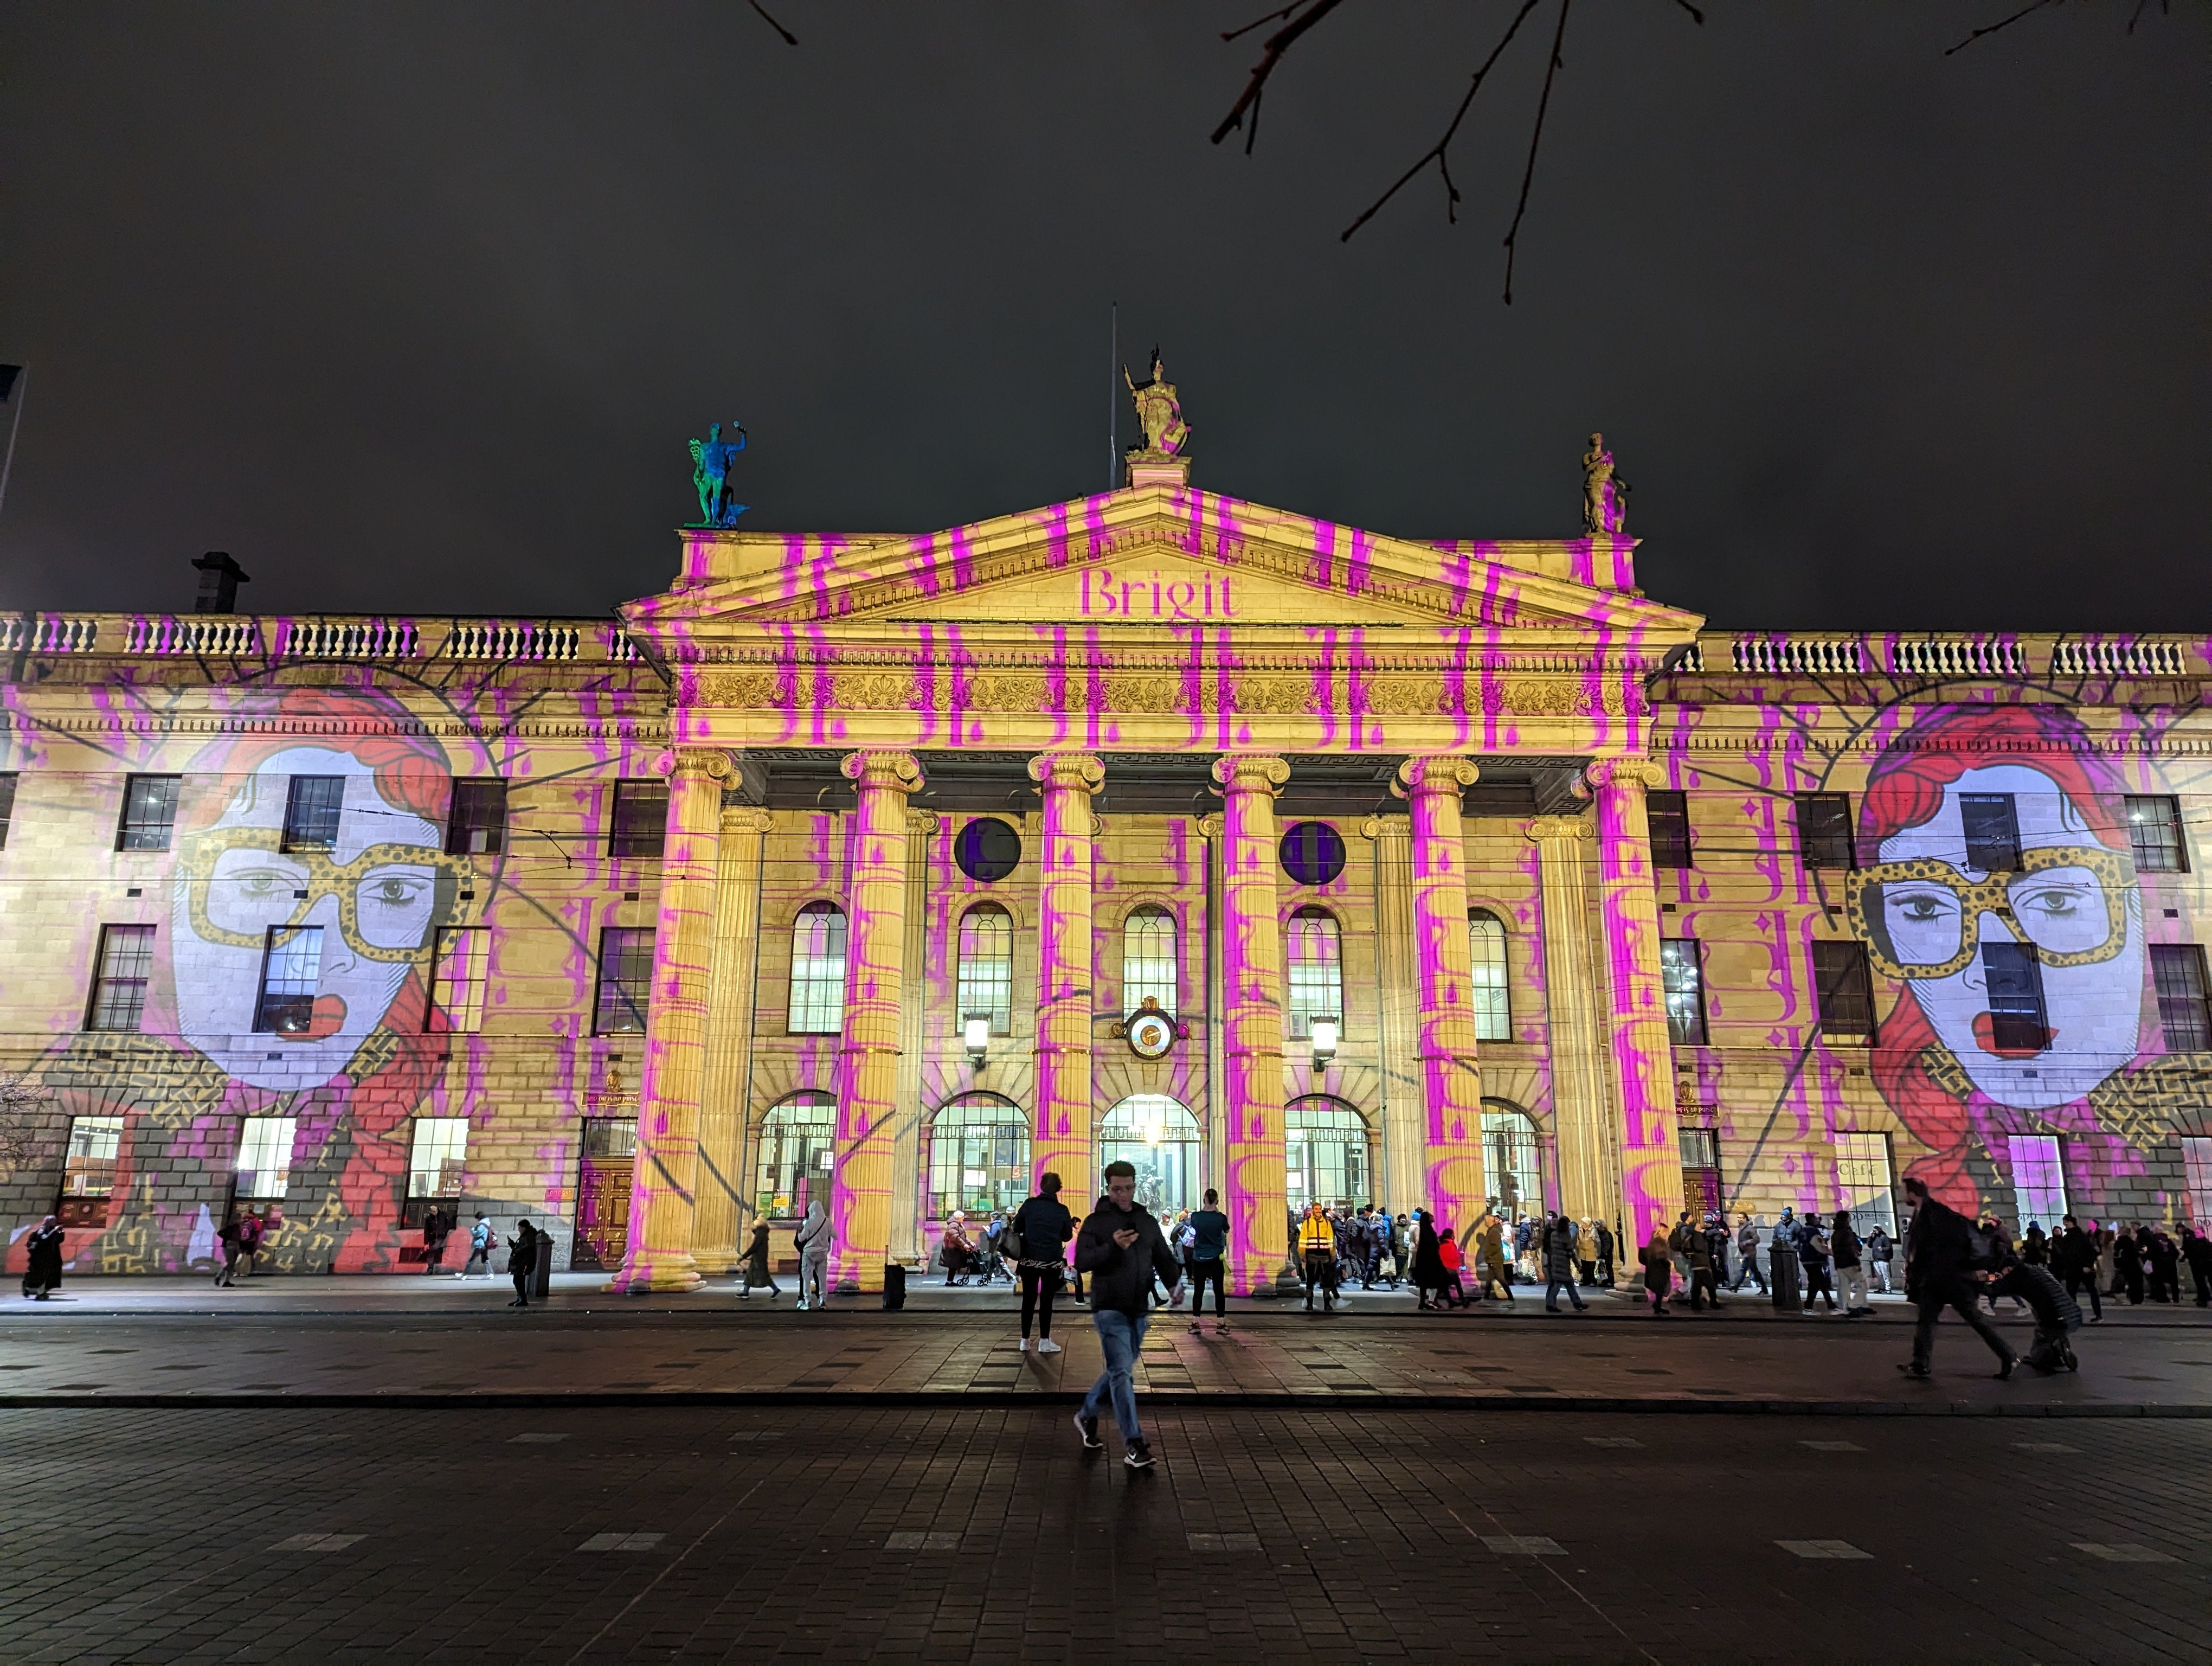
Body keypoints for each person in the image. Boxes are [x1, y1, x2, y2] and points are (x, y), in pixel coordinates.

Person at [1072, 1159, 1184, 1470]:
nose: (1123, 1194)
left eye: (1128, 1188)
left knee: (1118, 1371)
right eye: (1117, 1189)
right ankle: (1134, 1443)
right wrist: (1113, 1246)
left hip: (1138, 1308)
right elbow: (1081, 1261)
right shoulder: (1096, 1222)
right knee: (1122, 1372)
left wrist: (1174, 1283)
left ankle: (1087, 1413)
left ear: (1135, 1186)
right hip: (1109, 1308)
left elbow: (1161, 1255)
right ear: (1108, 1188)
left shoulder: (1145, 1220)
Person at [1898, 1177, 2016, 1380]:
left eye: (1903, 1190)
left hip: (1948, 1279)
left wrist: (1937, 1266)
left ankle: (2009, 1355)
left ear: (1912, 1193)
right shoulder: (1925, 1212)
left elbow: (1946, 1245)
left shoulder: (1934, 1213)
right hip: (1938, 1280)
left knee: (1974, 1319)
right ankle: (1920, 1364)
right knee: (1928, 1320)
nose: (1901, 1194)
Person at [1012, 1172, 1075, 1353]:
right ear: (1058, 1189)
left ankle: (1025, 1340)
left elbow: (1017, 1227)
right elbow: (1067, 1236)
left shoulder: (1029, 1205)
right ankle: (1044, 1341)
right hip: (1051, 1261)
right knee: (1047, 1300)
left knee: (1029, 1299)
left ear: (1041, 1187)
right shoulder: (1062, 1210)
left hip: (1028, 1259)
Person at [1184, 1188, 1230, 1335]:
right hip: (1216, 1258)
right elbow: (1227, 1230)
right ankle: (1221, 1324)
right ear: (1216, 1201)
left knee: (1198, 1291)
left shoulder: (1196, 1217)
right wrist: (1216, 1210)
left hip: (1199, 1258)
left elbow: (1193, 1227)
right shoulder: (1221, 1218)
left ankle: (1196, 1322)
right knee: (1218, 1291)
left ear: (1204, 1200)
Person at [2051, 1214, 2102, 1322]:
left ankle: (2094, 1315)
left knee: (2084, 1292)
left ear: (2071, 1222)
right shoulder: (2072, 1237)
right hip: (2074, 1268)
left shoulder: (2079, 1237)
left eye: (2066, 1222)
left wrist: (2088, 1265)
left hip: (2080, 1268)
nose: (2064, 1224)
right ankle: (2076, 1315)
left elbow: (2089, 1252)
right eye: (2064, 1222)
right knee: (2073, 1292)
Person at [1542, 1212, 1586, 1313]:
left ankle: (1577, 1303)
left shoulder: (1553, 1235)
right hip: (1563, 1263)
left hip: (1555, 1261)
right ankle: (1551, 1304)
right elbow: (1570, 1251)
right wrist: (1577, 1264)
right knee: (1558, 1285)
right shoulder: (1565, 1236)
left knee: (1568, 1284)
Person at [1300, 1203, 1340, 1312]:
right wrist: (1303, 1254)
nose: (1318, 1211)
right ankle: (1310, 1304)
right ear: (1313, 1210)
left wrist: (1332, 1254)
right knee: (1311, 1280)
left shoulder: (1327, 1223)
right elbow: (1303, 1239)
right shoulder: (1307, 1223)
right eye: (1316, 1209)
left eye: (1319, 1209)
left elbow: (1331, 1239)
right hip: (1311, 1255)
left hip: (1325, 1255)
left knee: (1326, 1280)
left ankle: (1327, 1304)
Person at [794, 1197, 831, 1311]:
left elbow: (797, 1241)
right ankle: (821, 1300)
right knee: (819, 1278)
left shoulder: (805, 1224)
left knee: (805, 1279)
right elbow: (828, 1240)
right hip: (819, 1255)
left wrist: (804, 1251)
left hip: (807, 1256)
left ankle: (803, 1300)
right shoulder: (825, 1223)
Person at [1832, 1209, 1871, 1315]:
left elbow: (1837, 1249)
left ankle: (1846, 1308)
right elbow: (1850, 1248)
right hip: (1849, 1263)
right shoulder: (1846, 1232)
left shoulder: (1836, 1232)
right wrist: (1856, 1262)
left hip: (1840, 1264)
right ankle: (1854, 1305)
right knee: (1864, 1285)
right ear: (1846, 1219)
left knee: (1844, 1288)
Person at [1798, 1209, 1837, 1313]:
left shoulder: (1803, 1231)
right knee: (1819, 1284)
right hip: (1814, 1260)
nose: (1818, 1220)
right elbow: (1820, 1247)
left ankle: (1828, 1305)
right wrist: (1832, 1253)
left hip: (1806, 1260)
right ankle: (1810, 1307)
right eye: (1816, 1218)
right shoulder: (1814, 1232)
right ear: (1811, 1220)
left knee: (1817, 1284)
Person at [22, 1215, 65, 1299]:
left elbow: (59, 1240)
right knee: (40, 1275)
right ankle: (36, 1291)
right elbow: (44, 1238)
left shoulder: (54, 1230)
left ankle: (40, 1291)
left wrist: (58, 1231)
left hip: (50, 1257)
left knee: (46, 1275)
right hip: (40, 1257)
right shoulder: (41, 1230)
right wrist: (54, 1231)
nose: (54, 1223)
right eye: (52, 1221)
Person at [738, 1218, 781, 1298]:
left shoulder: (760, 1233)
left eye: (754, 1224)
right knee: (750, 1274)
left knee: (763, 1275)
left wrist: (743, 1257)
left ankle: (775, 1289)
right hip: (758, 1258)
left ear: (758, 1225)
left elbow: (754, 1247)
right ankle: (745, 1292)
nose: (752, 1226)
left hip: (759, 1258)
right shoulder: (762, 1232)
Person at [1475, 1211, 1513, 1303]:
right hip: (1492, 1259)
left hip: (1495, 1260)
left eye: (1485, 1220)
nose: (1484, 1222)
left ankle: (1510, 1296)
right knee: (1489, 1279)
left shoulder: (1494, 1232)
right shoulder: (1492, 1231)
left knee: (1500, 1278)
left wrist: (1489, 1255)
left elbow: (1496, 1246)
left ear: (1490, 1221)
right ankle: (1486, 1296)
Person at [1769, 1207, 1802, 1310]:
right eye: (1782, 1215)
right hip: (1779, 1255)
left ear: (1789, 1215)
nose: (1783, 1217)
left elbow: (1800, 1239)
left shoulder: (1796, 1226)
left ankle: (1794, 1291)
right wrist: (1777, 1244)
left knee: (1792, 1272)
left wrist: (1791, 1246)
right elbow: (1775, 1237)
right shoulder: (1779, 1225)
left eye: (1785, 1215)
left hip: (1790, 1254)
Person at [1684, 1215, 1718, 1311]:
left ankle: (1695, 1304)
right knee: (1710, 1285)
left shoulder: (1692, 1236)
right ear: (1695, 1228)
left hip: (1697, 1264)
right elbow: (1701, 1248)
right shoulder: (1697, 1236)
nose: (1701, 1227)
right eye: (1699, 1226)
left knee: (1697, 1286)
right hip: (1701, 1264)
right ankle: (1713, 1303)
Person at [1639, 1226, 1673, 1316]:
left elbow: (1644, 1257)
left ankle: (1658, 1306)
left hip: (1653, 1268)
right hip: (1660, 1268)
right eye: (1666, 1233)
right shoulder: (1660, 1242)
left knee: (1659, 1289)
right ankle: (1658, 1306)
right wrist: (1667, 1265)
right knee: (1661, 1287)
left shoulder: (1653, 1242)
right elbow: (1662, 1256)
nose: (1666, 1235)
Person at [507, 1217, 539, 1308]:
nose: (519, 1230)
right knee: (518, 1280)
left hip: (524, 1262)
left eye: (520, 1228)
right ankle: (520, 1298)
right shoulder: (525, 1236)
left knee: (518, 1280)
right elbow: (520, 1247)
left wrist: (517, 1251)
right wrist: (512, 1244)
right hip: (520, 1262)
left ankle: (523, 1300)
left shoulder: (529, 1236)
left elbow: (528, 1247)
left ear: (524, 1228)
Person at [1731, 1214, 1767, 1294]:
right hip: (1746, 1252)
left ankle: (1736, 1287)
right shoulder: (1742, 1227)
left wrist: (1746, 1243)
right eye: (1738, 1217)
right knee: (1755, 1271)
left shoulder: (1750, 1228)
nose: (1739, 1219)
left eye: (1741, 1218)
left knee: (1744, 1270)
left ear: (1745, 1219)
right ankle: (1764, 1289)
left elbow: (1757, 1239)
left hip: (1750, 1253)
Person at [939, 1212, 974, 1286]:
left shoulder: (957, 1224)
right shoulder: (954, 1225)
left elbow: (962, 1236)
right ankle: (949, 1282)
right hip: (952, 1249)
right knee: (953, 1265)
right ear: (959, 1218)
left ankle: (950, 1281)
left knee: (954, 1266)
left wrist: (970, 1242)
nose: (964, 1218)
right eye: (963, 1217)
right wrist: (964, 1245)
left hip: (955, 1248)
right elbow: (955, 1238)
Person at [2183, 1225, 2212, 1308]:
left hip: (2203, 1266)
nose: (2196, 1234)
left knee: (2203, 1283)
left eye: (2198, 1233)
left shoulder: (2206, 1244)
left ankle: (2203, 1299)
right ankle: (2202, 1299)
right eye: (2195, 1233)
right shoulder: (2195, 1243)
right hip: (2197, 1266)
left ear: (2203, 1233)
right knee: (2200, 1283)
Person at [215, 1213, 245, 1287]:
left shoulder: (238, 1227)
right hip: (229, 1247)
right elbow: (220, 1233)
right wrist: (228, 1238)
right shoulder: (231, 1227)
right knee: (229, 1264)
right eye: (240, 1218)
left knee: (231, 1265)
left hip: (236, 1246)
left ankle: (226, 1281)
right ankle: (219, 1276)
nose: (242, 1220)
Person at [462, 1212, 496, 1279]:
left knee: (472, 1259)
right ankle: (490, 1273)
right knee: (485, 1258)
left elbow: (477, 1233)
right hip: (484, 1244)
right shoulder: (486, 1224)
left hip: (480, 1244)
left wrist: (472, 1229)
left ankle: (464, 1274)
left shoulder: (482, 1225)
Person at [421, 1206, 451, 1276]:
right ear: (430, 1212)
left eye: (436, 1211)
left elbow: (448, 1224)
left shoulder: (443, 1216)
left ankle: (431, 1267)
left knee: (433, 1249)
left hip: (441, 1236)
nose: (435, 1213)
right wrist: (426, 1243)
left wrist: (444, 1232)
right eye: (433, 1212)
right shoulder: (429, 1219)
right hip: (432, 1237)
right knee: (431, 1252)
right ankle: (430, 1269)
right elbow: (426, 1231)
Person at [1866, 1222, 1893, 1295]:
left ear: (1880, 1229)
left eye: (1877, 1228)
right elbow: (1869, 1245)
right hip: (1876, 1258)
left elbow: (1889, 1247)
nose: (1876, 1230)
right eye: (1875, 1228)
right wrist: (1870, 1237)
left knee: (1885, 1274)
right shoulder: (1874, 1237)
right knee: (1879, 1275)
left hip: (1883, 1258)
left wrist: (1882, 1249)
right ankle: (1882, 1288)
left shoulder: (1884, 1237)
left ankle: (1888, 1289)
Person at [1576, 1218, 1599, 1287]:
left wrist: (1598, 1251)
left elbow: (1597, 1241)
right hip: (1583, 1251)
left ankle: (1593, 1281)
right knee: (1585, 1267)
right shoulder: (1580, 1229)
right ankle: (1586, 1281)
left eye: (1584, 1223)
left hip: (1591, 1251)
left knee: (1591, 1268)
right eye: (1582, 1223)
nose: (1582, 1224)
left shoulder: (1593, 1230)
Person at [1592, 1218, 1616, 1286]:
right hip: (1601, 1253)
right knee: (1602, 1268)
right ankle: (1604, 1281)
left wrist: (1606, 1252)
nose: (1597, 1227)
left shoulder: (1607, 1234)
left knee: (1608, 1268)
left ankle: (1610, 1281)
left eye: (1598, 1225)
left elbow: (1609, 1244)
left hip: (1607, 1254)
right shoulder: (1598, 1234)